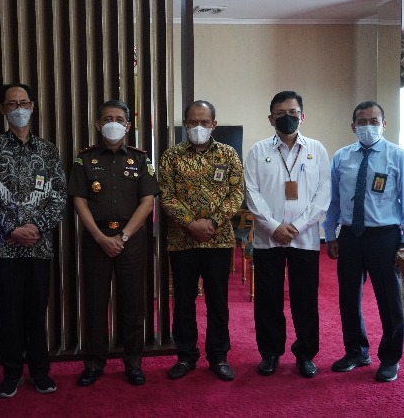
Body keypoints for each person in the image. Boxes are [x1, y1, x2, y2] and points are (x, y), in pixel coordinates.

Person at [0, 83, 67, 397]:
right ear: (2, 109)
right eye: (12, 103)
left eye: (24, 102)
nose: (19, 108)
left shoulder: (48, 150)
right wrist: (12, 229)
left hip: (39, 247)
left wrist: (36, 228)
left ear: (33, 106)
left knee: (37, 313)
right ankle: (12, 373)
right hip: (2, 247)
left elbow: (59, 197)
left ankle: (40, 372)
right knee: (8, 314)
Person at [322, 101, 404, 382]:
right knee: (348, 298)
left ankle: (390, 358)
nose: (368, 126)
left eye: (373, 121)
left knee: (389, 300)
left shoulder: (398, 156)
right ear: (353, 126)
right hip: (349, 237)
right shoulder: (341, 157)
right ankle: (356, 352)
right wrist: (330, 233)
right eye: (362, 122)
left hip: (384, 237)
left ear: (384, 124)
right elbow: (333, 201)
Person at [68, 99, 159, 387]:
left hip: (130, 241)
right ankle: (94, 363)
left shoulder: (141, 159)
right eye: (107, 119)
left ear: (128, 125)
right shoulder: (84, 159)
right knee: (95, 304)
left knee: (133, 304)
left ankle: (133, 363)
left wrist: (123, 237)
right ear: (98, 124)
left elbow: (147, 201)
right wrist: (100, 237)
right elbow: (79, 200)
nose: (113, 123)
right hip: (96, 239)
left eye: (119, 119)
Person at [244, 91, 331, 378]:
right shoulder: (258, 151)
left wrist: (298, 226)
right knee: (268, 299)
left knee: (304, 299)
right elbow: (251, 193)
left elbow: (323, 194)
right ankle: (270, 353)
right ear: (270, 118)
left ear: (302, 116)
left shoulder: (316, 149)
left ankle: (305, 354)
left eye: (292, 112)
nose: (287, 117)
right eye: (280, 113)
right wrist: (274, 226)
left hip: (304, 239)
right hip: (267, 239)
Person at [159, 100, 244, 382]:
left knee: (218, 301)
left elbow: (236, 193)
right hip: (182, 241)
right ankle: (186, 356)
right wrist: (190, 223)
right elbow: (166, 194)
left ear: (213, 124)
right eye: (193, 122)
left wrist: (213, 222)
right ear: (185, 124)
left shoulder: (228, 154)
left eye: (204, 122)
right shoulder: (171, 156)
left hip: (218, 241)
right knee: (183, 301)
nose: (198, 127)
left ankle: (218, 356)